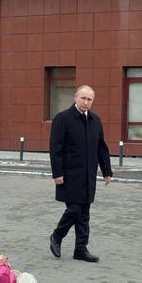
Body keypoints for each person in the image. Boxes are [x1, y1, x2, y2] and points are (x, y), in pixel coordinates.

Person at [49, 85, 112, 263]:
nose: (86, 102)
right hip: (69, 175)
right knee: (74, 209)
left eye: (89, 99)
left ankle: (81, 249)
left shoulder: (95, 121)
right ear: (75, 98)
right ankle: (57, 235)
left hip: (88, 175)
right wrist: (57, 173)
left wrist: (107, 171)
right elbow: (55, 148)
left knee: (84, 212)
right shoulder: (63, 119)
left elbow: (101, 148)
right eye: (83, 98)